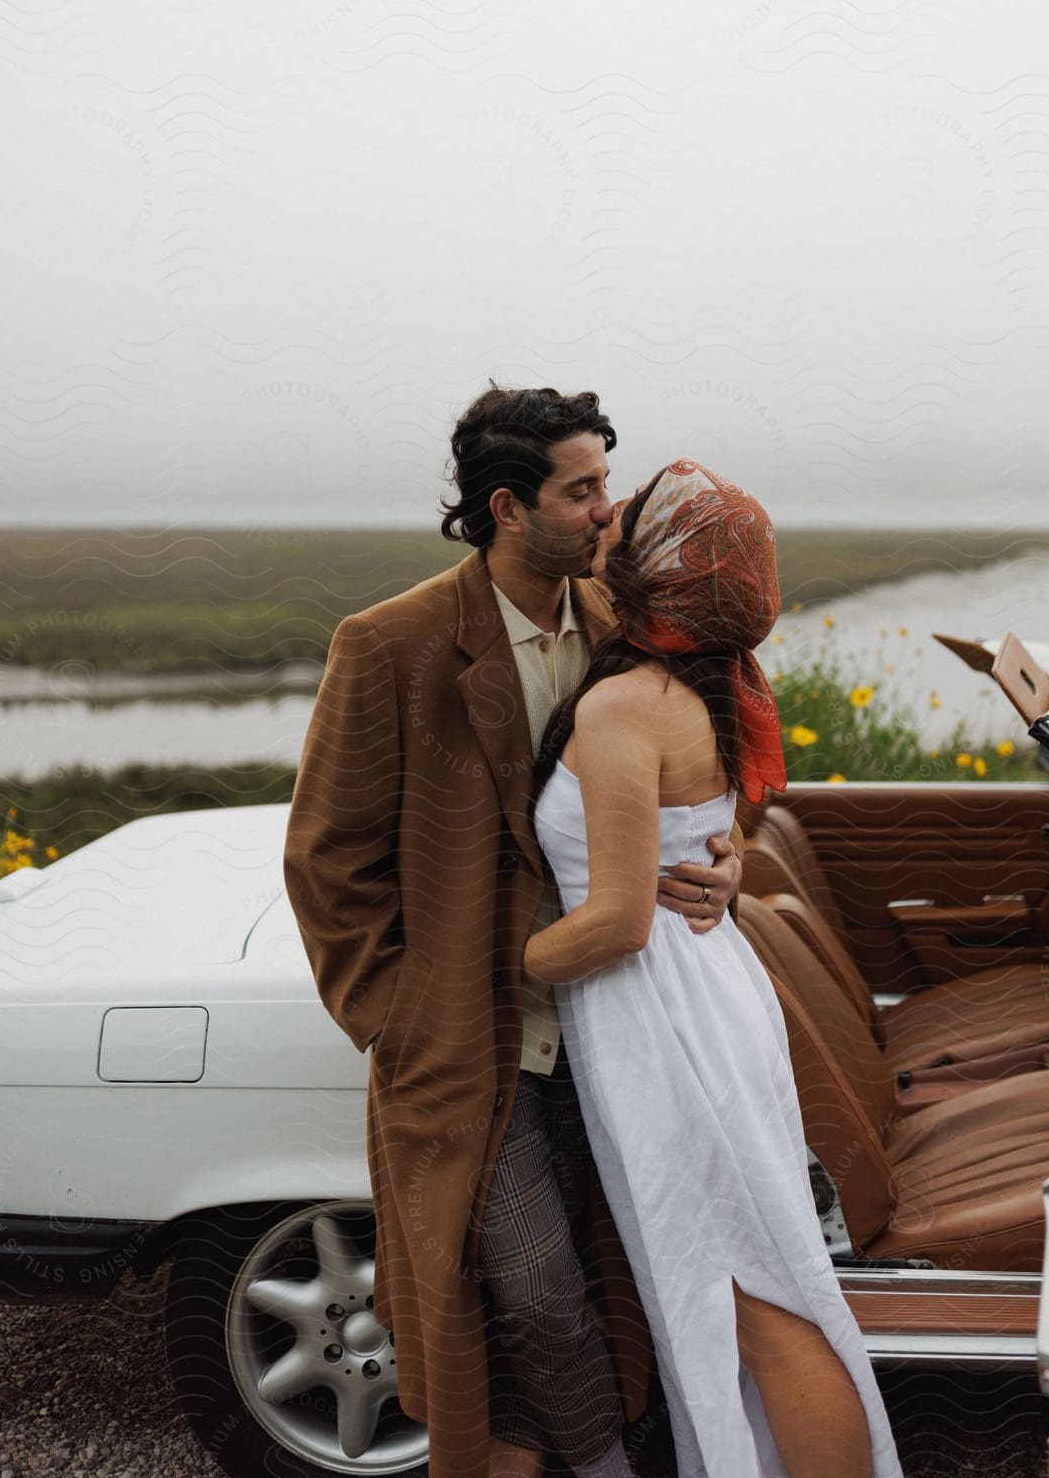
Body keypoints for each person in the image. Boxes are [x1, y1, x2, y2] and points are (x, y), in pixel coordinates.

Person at [283, 387, 744, 1478]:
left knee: (624, 1271)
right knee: (532, 1290)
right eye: (581, 490)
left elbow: (704, 772)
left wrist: (730, 858)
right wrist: (400, 1020)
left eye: (605, 485)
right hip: (472, 1044)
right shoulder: (389, 644)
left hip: (618, 1023)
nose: (607, 511)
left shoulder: (626, 632)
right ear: (508, 507)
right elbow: (327, 863)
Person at [526, 460, 904, 1478]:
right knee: (758, 1279)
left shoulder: (622, 706)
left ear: (654, 569)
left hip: (663, 1022)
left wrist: (495, 966)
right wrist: (721, 857)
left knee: (751, 1295)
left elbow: (612, 922)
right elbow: (704, 825)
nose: (607, 522)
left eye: (627, 519)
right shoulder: (709, 677)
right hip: (702, 995)